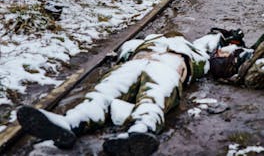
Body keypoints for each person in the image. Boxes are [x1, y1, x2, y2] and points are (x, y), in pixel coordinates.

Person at [16, 29, 244, 156]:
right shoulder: (146, 41)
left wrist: (222, 37)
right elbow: (122, 49)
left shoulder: (193, 50)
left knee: (153, 98)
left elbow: (211, 44)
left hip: (169, 68)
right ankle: (69, 124)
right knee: (103, 93)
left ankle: (139, 132)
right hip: (137, 64)